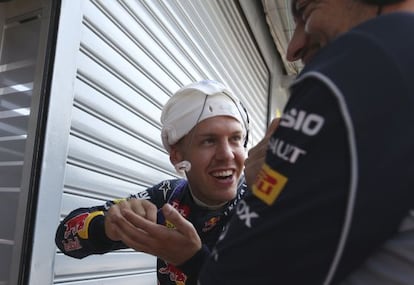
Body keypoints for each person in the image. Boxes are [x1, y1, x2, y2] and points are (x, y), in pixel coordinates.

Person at [194, 0, 414, 284]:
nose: (293, 48)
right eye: (207, 141)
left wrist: (263, 189)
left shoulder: (369, 53)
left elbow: (231, 274)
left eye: (307, 9)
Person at [55, 79, 250, 285]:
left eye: (235, 138)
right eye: (209, 140)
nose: (227, 155)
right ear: (176, 157)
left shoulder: (265, 205)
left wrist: (193, 259)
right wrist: (108, 227)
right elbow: (65, 238)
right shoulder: (169, 197)